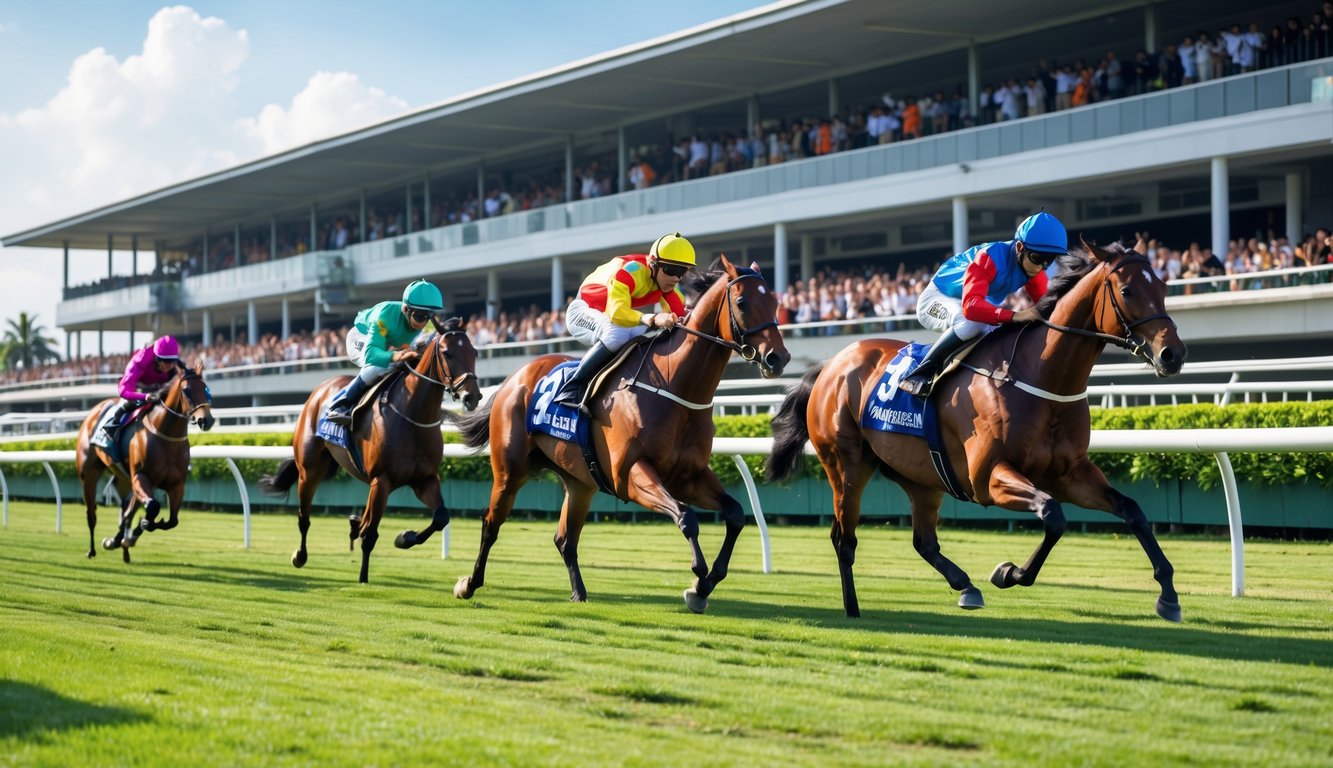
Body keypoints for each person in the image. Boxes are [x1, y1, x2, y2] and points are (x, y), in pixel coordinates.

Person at [899, 212, 1067, 397]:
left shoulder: (1033, 269)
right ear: (1020, 247)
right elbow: (971, 307)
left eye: (1049, 260)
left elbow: (1049, 309)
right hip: (936, 298)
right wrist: (1016, 316)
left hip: (970, 303)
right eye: (1037, 257)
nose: (1041, 266)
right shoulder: (989, 257)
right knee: (973, 324)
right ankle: (920, 374)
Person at [551, 232, 693, 408]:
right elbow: (617, 313)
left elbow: (683, 318)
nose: (676, 278)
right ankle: (572, 387)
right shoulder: (629, 272)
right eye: (671, 270)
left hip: (609, 316)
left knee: (641, 335)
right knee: (618, 334)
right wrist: (653, 318)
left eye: (682, 272)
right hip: (583, 310)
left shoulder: (667, 284)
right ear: (653, 264)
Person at [325, 279, 443, 425]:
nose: (424, 322)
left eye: (428, 317)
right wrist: (396, 356)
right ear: (406, 310)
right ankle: (340, 404)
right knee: (377, 366)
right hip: (362, 337)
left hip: (389, 343)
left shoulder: (425, 321)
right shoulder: (384, 317)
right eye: (419, 317)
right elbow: (372, 355)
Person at [99, 336, 183, 443]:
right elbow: (123, 391)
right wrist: (145, 396)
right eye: (166, 362)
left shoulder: (171, 359)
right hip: (138, 388)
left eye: (173, 361)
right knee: (130, 402)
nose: (170, 365)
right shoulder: (139, 361)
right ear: (157, 359)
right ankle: (111, 426)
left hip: (159, 387)